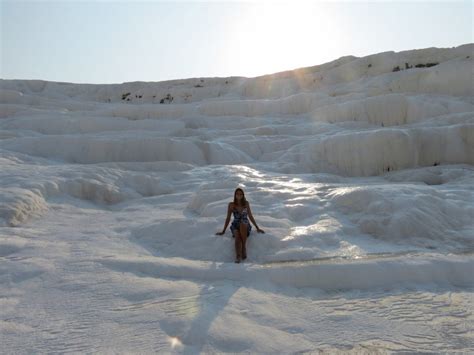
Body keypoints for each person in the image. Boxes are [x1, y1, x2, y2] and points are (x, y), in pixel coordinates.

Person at [216, 188, 265, 263]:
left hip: (245, 224)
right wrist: (223, 231)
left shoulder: (246, 203)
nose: (239, 195)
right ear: (235, 195)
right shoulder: (231, 205)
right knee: (237, 236)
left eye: (240, 194)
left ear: (243, 195)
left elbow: (250, 216)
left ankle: (244, 248)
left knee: (242, 224)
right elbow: (228, 218)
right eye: (237, 194)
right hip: (235, 224)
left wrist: (257, 228)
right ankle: (238, 256)